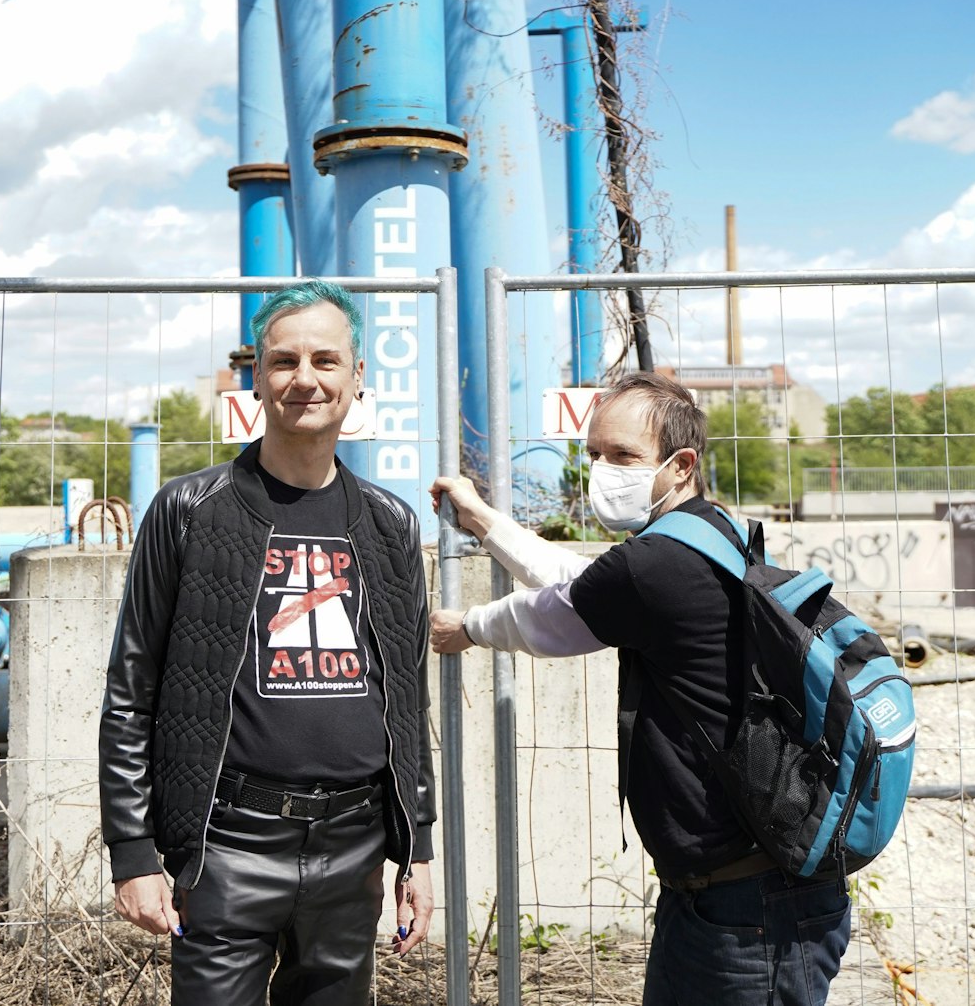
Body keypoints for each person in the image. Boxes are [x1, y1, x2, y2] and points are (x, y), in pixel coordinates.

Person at [429, 371, 850, 1006]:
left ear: (681, 466)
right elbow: (586, 583)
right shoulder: (708, 536)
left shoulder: (658, 563)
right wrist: (486, 522)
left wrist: (467, 626)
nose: (603, 470)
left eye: (624, 456)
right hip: (734, 895)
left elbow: (557, 616)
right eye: (595, 454)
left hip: (752, 911)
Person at [100, 280, 435, 1005]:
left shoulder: (390, 525)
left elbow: (409, 702)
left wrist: (418, 850)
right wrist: (133, 851)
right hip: (227, 847)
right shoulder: (189, 511)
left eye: (326, 360)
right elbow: (132, 693)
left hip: (354, 848)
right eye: (284, 362)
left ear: (357, 378)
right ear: (257, 376)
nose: (305, 379)